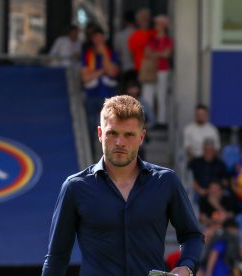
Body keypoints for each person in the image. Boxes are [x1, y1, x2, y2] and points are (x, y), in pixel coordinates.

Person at [42, 95, 204, 276]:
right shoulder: (75, 187)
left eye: (129, 135)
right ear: (100, 134)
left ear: (141, 136)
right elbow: (57, 257)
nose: (120, 142)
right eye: (113, 133)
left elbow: (192, 235)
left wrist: (186, 266)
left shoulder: (166, 182)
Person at [81, 27, 119, 152]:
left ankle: (106, 155)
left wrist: (104, 54)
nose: (99, 41)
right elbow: (85, 77)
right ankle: (92, 155)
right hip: (92, 96)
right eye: (96, 38)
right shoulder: (87, 54)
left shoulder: (111, 53)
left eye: (101, 38)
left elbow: (113, 72)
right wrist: (102, 71)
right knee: (91, 128)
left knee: (108, 128)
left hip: (108, 97)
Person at [143, 15, 173, 127]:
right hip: (151, 70)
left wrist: (154, 53)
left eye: (158, 24)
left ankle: (162, 121)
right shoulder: (151, 39)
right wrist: (160, 53)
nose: (156, 26)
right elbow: (147, 53)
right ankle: (149, 119)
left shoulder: (167, 40)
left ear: (163, 26)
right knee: (148, 96)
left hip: (162, 70)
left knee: (161, 95)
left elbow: (167, 54)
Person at [128, 8, 155, 73]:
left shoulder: (155, 33)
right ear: (138, 21)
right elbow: (132, 54)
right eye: (143, 19)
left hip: (155, 67)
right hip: (141, 68)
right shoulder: (134, 36)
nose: (145, 21)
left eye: (147, 19)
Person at [114, 11, 137, 85]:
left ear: (125, 21)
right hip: (138, 67)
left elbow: (117, 51)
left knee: (125, 90)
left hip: (124, 66)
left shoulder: (119, 36)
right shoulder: (138, 33)